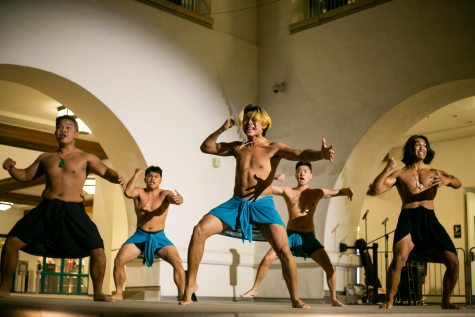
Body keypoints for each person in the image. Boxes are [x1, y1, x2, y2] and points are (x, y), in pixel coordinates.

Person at [180, 104, 334, 308]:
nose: (248, 123)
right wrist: (221, 129)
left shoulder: (274, 147)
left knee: (284, 250)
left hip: (263, 205)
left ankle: (295, 298)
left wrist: (321, 155)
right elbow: (206, 147)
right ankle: (190, 285)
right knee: (199, 230)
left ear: (264, 125)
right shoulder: (237, 147)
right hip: (236, 203)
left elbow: (301, 154)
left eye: (254, 120)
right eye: (246, 119)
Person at [0, 115, 126, 301]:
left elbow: (104, 171)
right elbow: (26, 175)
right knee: (11, 242)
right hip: (47, 208)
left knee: (98, 249)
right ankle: (3, 288)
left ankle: (98, 292)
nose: (63, 130)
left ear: (76, 134)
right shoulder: (46, 157)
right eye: (60, 127)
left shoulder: (86, 157)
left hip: (73, 209)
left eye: (68, 127)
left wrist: (116, 177)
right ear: (55, 132)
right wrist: (11, 169)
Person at [240, 162, 352, 307]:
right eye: (299, 171)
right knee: (267, 258)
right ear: (295, 175)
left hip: (308, 237)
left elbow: (338, 192)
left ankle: (334, 299)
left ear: (310, 176)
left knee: (328, 266)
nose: (302, 173)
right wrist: (273, 177)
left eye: (305, 171)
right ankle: (255, 289)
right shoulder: (288, 191)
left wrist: (348, 190)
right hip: (290, 236)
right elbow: (265, 188)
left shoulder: (316, 193)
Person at [371, 135, 463, 310]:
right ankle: (389, 300)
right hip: (408, 217)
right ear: (409, 149)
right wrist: (387, 169)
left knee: (454, 262)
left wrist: (448, 180)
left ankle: (445, 302)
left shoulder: (434, 172)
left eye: (424, 145)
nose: (422, 147)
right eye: (417, 144)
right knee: (399, 259)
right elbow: (377, 189)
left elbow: (458, 183)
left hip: (429, 217)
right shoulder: (399, 174)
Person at [112, 166, 185, 301]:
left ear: (160, 180)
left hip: (159, 236)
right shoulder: (139, 192)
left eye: (156, 177)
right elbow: (128, 192)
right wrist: (136, 174)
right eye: (150, 176)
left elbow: (172, 198)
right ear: (145, 178)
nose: (152, 179)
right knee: (119, 261)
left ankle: (182, 295)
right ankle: (118, 293)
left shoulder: (164, 194)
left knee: (177, 262)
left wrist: (179, 199)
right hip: (140, 234)